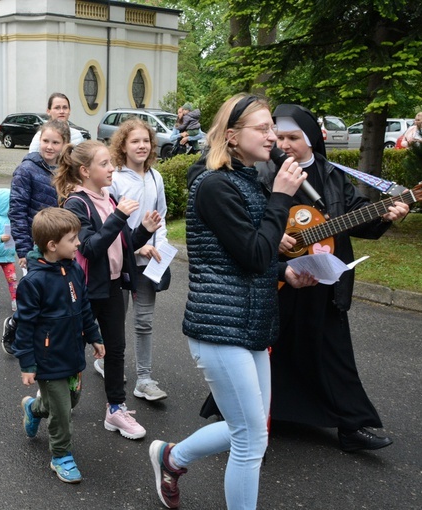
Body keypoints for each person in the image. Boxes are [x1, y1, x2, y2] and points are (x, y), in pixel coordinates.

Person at [148, 94, 311, 510]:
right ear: (232, 135)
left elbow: (249, 255)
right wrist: (281, 198)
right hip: (219, 325)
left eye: (272, 128)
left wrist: (284, 272)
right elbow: (255, 252)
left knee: (250, 429)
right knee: (250, 440)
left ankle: (172, 456)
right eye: (263, 128)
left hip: (251, 321)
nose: (273, 136)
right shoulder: (215, 184)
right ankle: (172, 458)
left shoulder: (248, 178)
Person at [263, 104, 409, 452]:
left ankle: (351, 426)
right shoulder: (265, 173)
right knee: (267, 353)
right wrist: (272, 237)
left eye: (293, 138)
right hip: (280, 280)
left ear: (312, 138)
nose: (284, 144)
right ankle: (254, 425)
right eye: (279, 137)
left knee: (334, 353)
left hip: (325, 282)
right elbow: (250, 219)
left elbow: (361, 217)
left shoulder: (332, 175)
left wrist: (388, 214)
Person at [56, 140, 162, 441]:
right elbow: (89, 248)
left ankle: (115, 409)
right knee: (72, 351)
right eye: (104, 164)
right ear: (85, 170)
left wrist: (144, 231)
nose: (112, 168)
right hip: (86, 290)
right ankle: (49, 402)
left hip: (112, 286)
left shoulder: (107, 196)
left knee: (115, 350)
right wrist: (119, 217)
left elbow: (122, 239)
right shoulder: (76, 203)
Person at [13, 207, 105, 484]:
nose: (78, 243)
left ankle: (33, 409)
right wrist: (27, 364)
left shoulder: (74, 268)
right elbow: (24, 325)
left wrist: (94, 336)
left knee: (71, 400)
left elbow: (84, 306)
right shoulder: (33, 282)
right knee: (62, 412)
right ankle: (61, 455)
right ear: (52, 246)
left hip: (73, 353)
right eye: (72, 239)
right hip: (48, 359)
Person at [107, 118, 169, 401]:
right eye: (135, 141)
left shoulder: (156, 177)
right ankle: (107, 361)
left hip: (149, 262)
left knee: (144, 322)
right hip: (122, 261)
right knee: (114, 322)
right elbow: (110, 224)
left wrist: (162, 248)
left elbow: (161, 218)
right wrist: (136, 246)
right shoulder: (115, 178)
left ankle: (144, 379)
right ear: (123, 145)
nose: (142, 146)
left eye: (146, 140)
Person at [1, 119, 70, 355]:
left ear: (64, 144)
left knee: (54, 296)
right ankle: (14, 326)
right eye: (45, 141)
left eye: (55, 142)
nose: (49, 146)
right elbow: (17, 211)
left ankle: (46, 340)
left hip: (60, 244)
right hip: (34, 246)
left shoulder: (67, 170)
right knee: (36, 298)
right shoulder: (26, 169)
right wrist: (22, 249)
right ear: (39, 141)